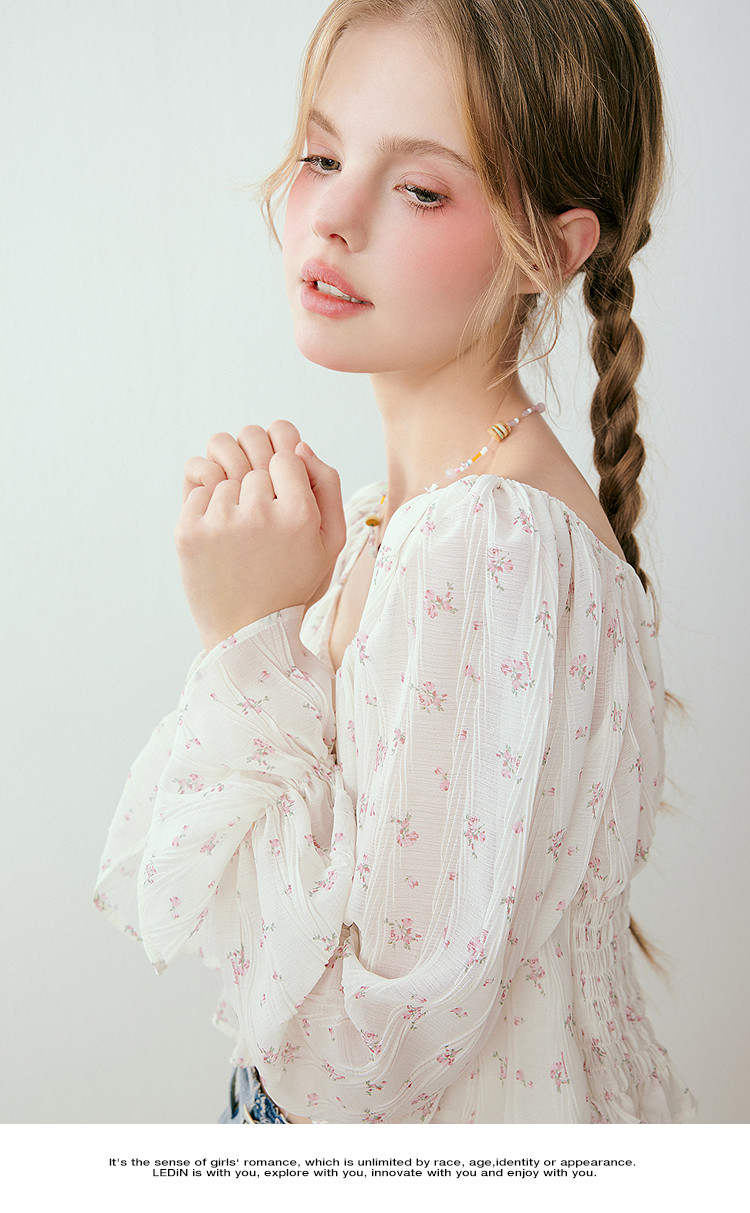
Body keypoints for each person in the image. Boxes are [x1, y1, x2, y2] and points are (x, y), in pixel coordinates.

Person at [94, 0, 696, 1124]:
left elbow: (358, 1060)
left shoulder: (491, 544)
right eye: (323, 157)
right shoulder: (422, 520)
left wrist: (253, 639)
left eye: (419, 189)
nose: (332, 216)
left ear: (552, 249)